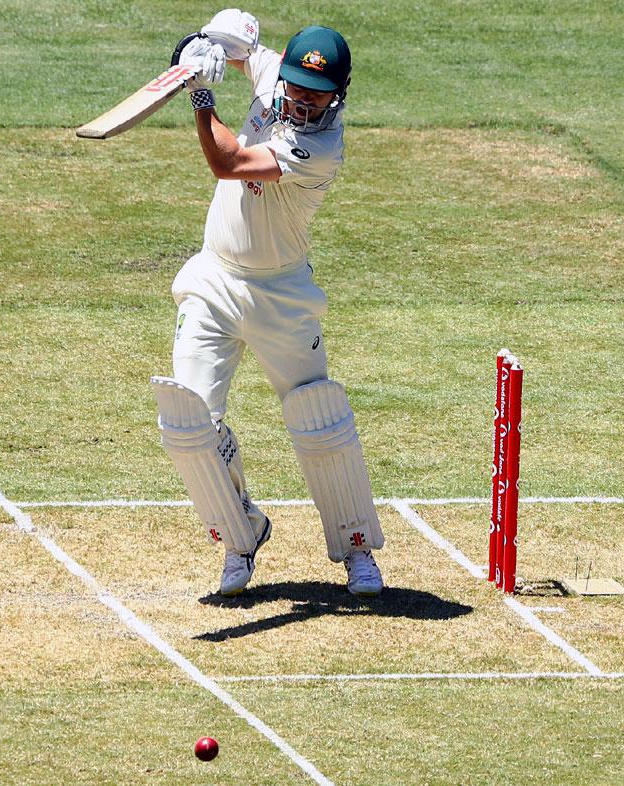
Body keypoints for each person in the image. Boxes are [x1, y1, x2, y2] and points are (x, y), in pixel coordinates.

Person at [150, 9, 384, 597]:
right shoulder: (267, 72)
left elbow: (226, 164)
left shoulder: (321, 147)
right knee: (189, 423)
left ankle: (356, 549)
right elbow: (233, 47)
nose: (306, 104)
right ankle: (241, 536)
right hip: (214, 280)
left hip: (282, 293)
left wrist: (201, 99)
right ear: (283, 75)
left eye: (320, 95)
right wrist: (197, 48)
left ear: (340, 96)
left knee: (319, 417)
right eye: (299, 90)